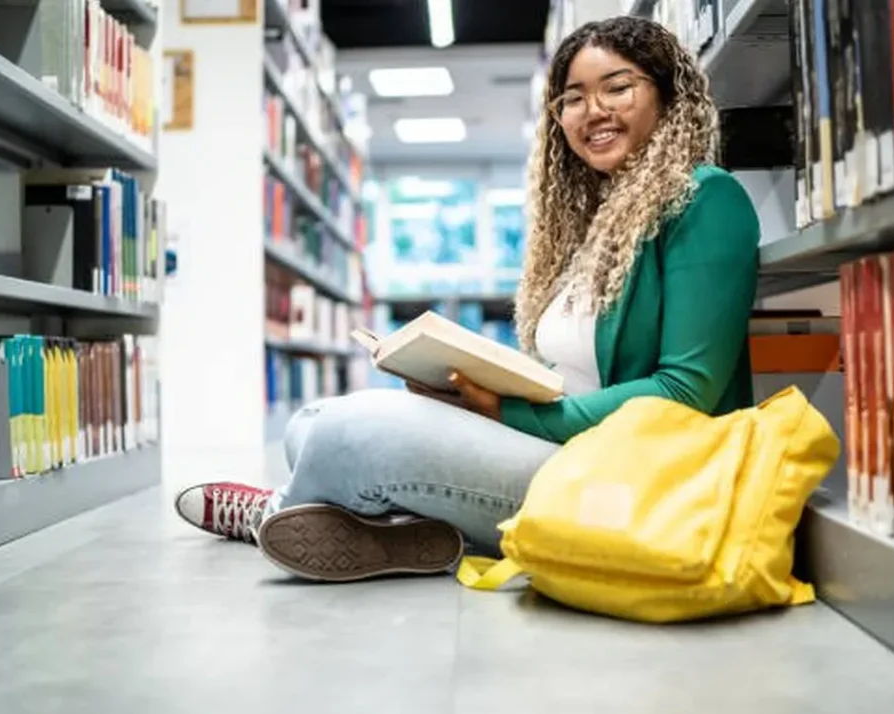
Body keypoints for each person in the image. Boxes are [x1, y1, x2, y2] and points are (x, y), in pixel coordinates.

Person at [175, 15, 760, 582]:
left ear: (667, 97)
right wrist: (474, 385)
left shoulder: (706, 200)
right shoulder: (600, 224)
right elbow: (571, 369)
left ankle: (276, 514)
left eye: (618, 88)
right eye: (574, 98)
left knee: (340, 438)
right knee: (310, 422)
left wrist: (506, 413)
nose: (594, 111)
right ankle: (404, 532)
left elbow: (684, 393)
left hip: (628, 474)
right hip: (561, 444)